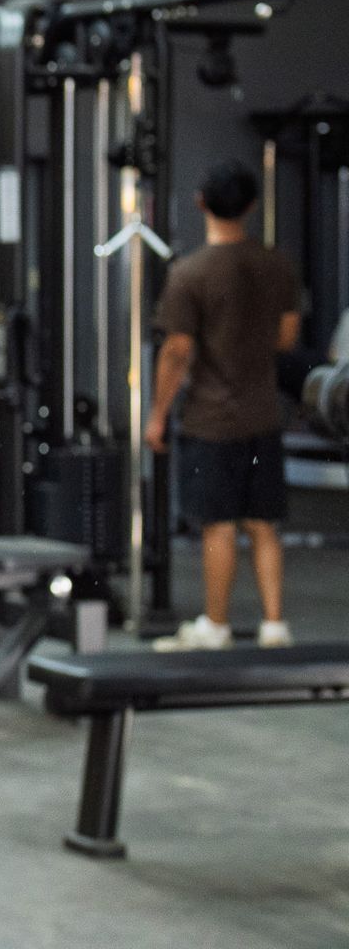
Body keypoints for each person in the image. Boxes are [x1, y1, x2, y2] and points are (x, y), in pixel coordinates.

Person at [147, 159, 302, 651]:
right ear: (251, 206)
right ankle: (274, 624)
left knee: (218, 525)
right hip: (263, 415)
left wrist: (157, 414)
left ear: (201, 204)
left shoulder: (189, 273)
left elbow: (177, 350)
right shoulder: (277, 265)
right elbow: (287, 337)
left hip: (210, 420)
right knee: (263, 523)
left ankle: (215, 626)